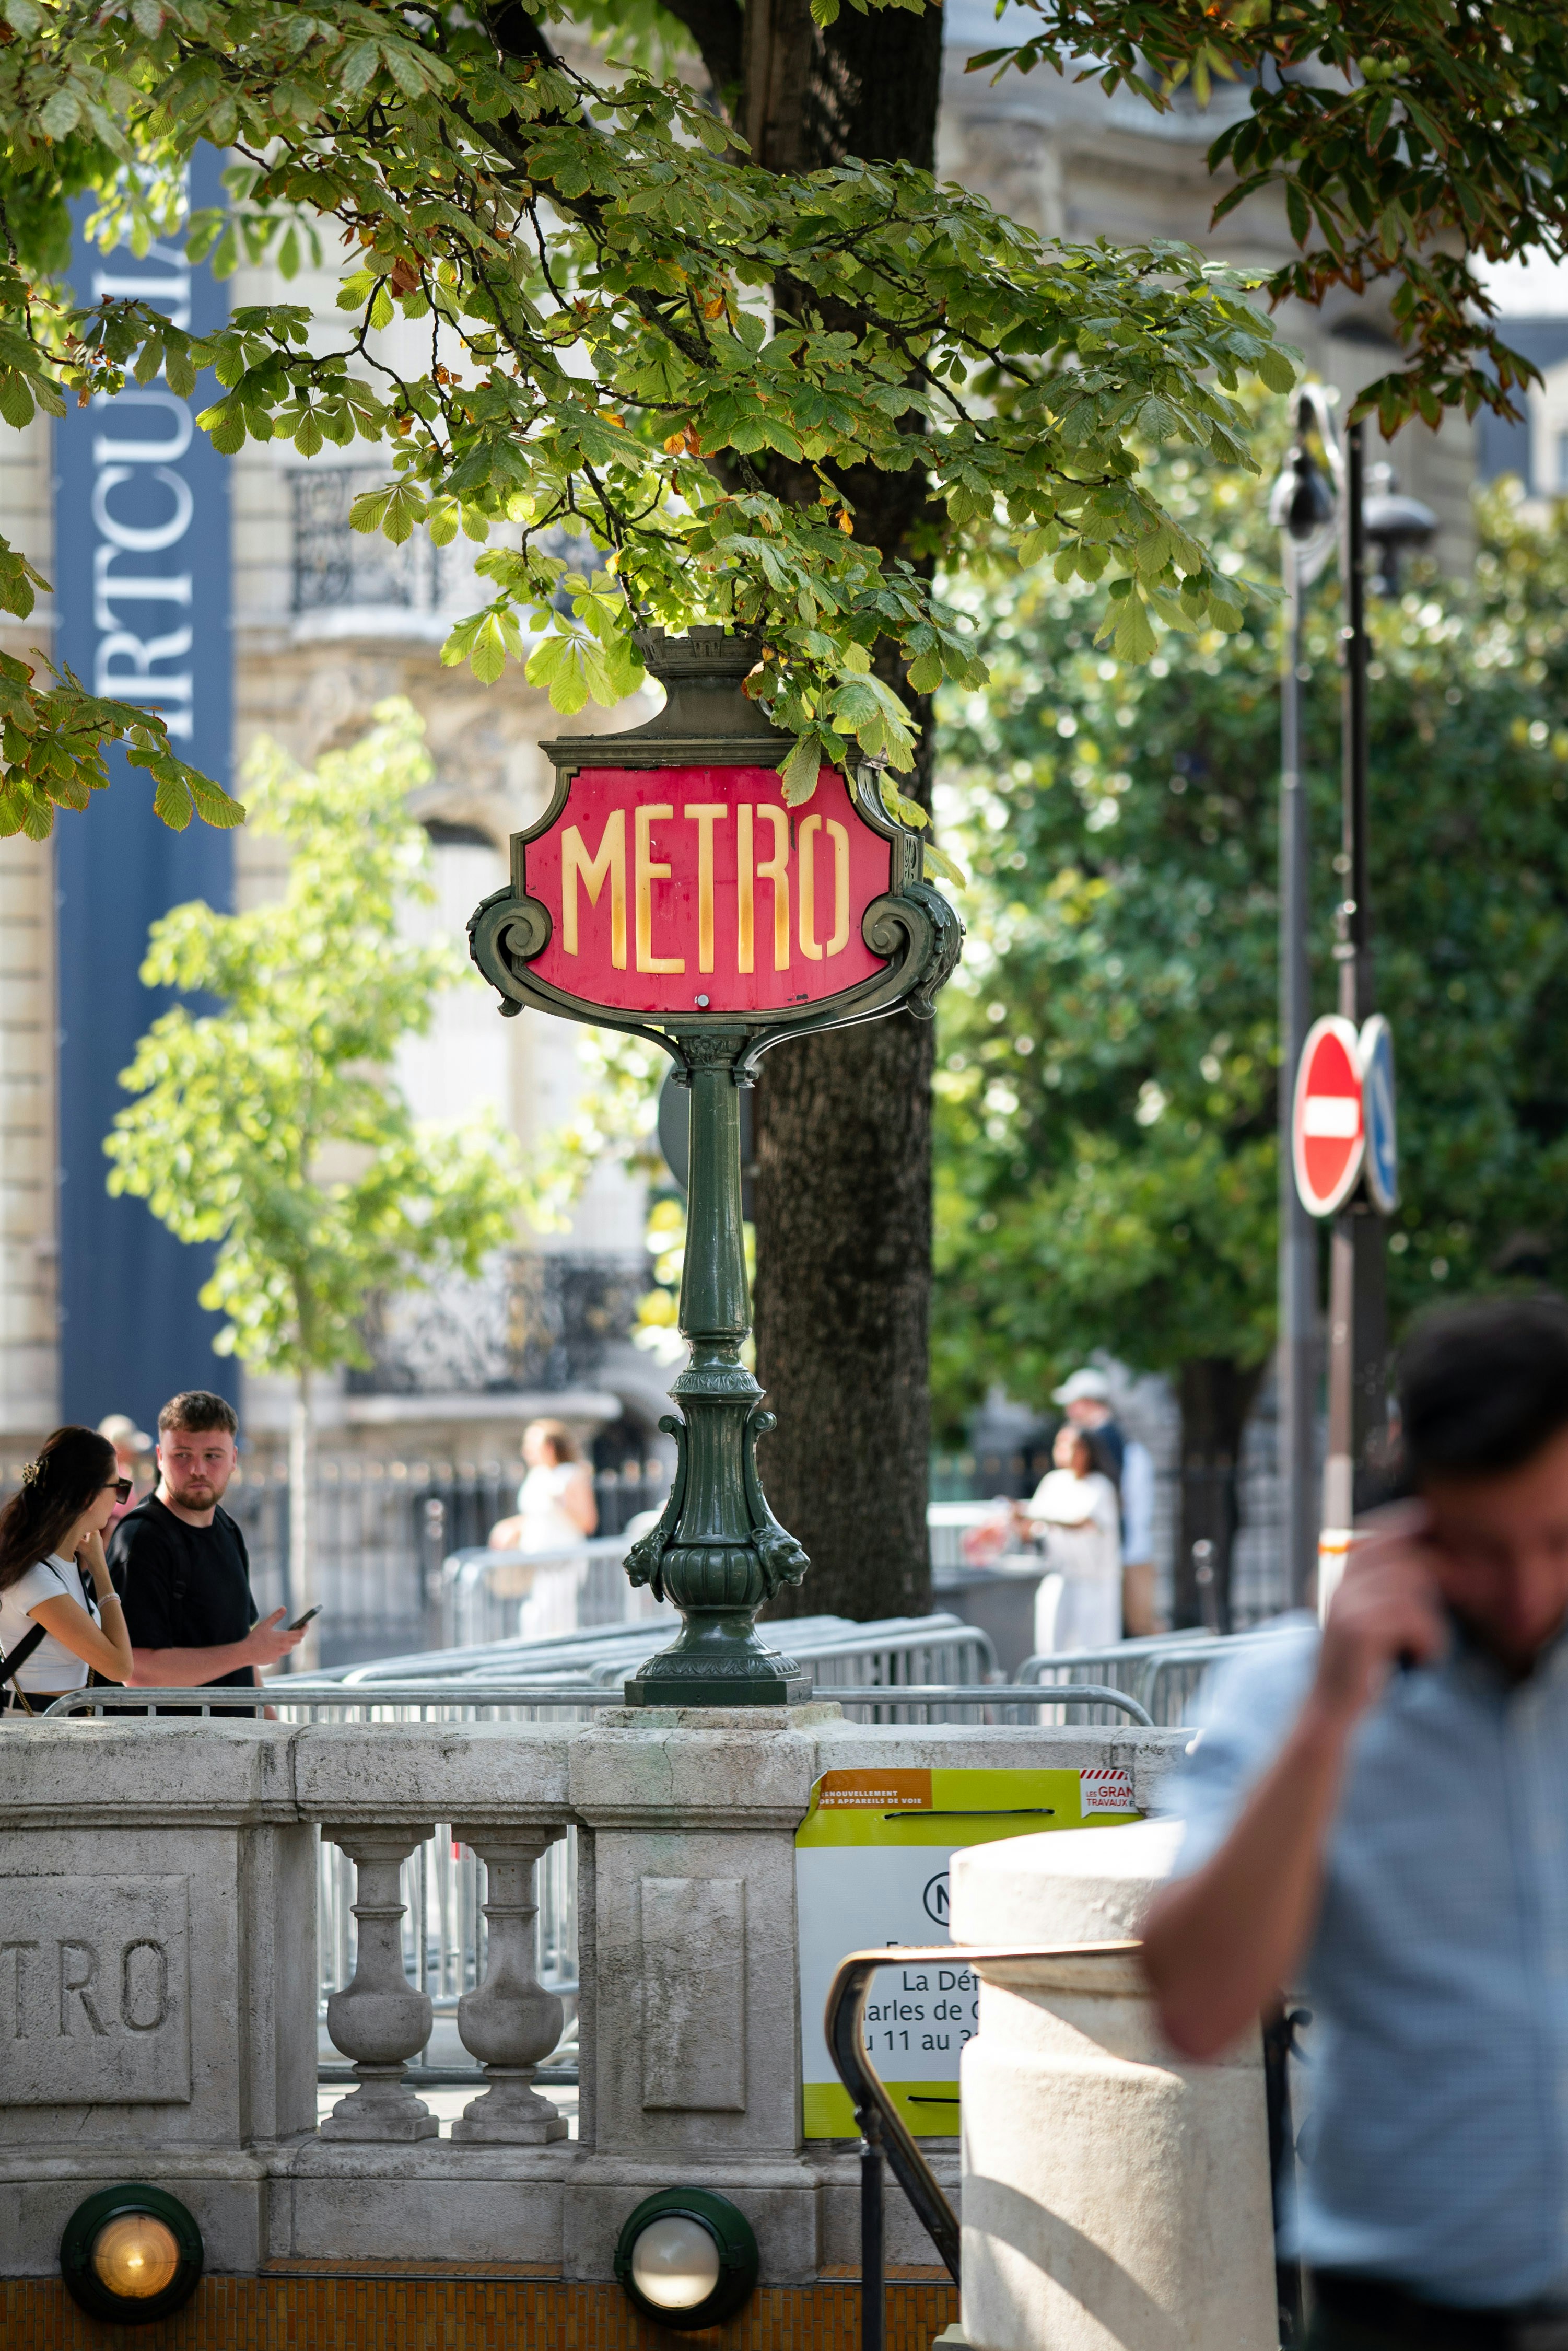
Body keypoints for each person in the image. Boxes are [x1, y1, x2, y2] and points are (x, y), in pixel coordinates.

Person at [1141, 1294, 1568, 2349]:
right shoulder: (1286, 1696)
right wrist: (1331, 1718)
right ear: (1407, 1510)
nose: (1526, 1593)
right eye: (1480, 1545)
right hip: (1404, 2317)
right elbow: (1197, 2007)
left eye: (1559, 1539)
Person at [109, 1390, 304, 1693]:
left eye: (212, 1456)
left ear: (234, 1459)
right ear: (160, 1457)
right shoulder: (141, 1539)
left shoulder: (228, 1528)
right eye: (182, 1455)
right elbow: (137, 1672)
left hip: (239, 1737)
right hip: (170, 1740)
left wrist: (270, 1723)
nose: (198, 1470)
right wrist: (247, 1652)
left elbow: (241, 1652)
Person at [0, 1426, 135, 1710]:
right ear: (88, 1498)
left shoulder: (64, 1564)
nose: (119, 1500)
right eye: (118, 1487)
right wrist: (100, 1569)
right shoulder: (35, 1579)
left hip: (58, 1727)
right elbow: (120, 1667)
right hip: (33, 1731)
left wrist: (96, 1563)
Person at [1054, 1366, 1160, 1634]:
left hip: (1120, 1550)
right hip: (1116, 1550)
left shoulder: (1106, 1440)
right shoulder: (1114, 1439)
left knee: (1139, 1624)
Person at [486, 1418, 599, 1640]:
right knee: (538, 1615)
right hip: (535, 1560)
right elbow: (536, 1516)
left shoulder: (571, 1475)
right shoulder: (536, 1476)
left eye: (533, 1445)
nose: (527, 1451)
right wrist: (511, 1527)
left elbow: (588, 1522)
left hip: (563, 1560)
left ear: (550, 1447)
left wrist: (561, 1501)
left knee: (552, 1618)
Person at [1019, 1422, 1122, 1653]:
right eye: (1061, 1445)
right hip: (1059, 1578)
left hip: (1095, 1584)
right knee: (1053, 1649)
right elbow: (1031, 1528)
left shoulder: (1100, 1486)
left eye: (1074, 1446)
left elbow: (1081, 1521)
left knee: (1091, 1650)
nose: (1068, 1452)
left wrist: (1030, 1513)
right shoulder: (1053, 1482)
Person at [98, 1413, 153, 1529]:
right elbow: (113, 1516)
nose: (135, 1453)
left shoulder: (123, 1472)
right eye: (129, 1447)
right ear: (117, 1447)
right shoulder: (107, 1475)